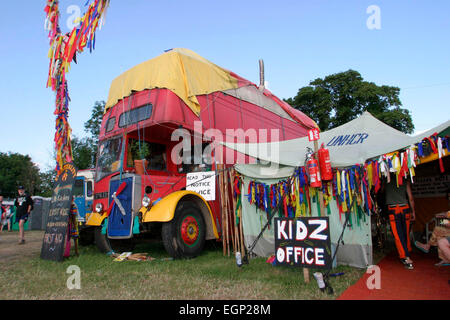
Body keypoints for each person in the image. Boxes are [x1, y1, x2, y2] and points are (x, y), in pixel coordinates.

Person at [383, 175, 416, 270]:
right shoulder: (405, 180)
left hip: (393, 210)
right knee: (405, 233)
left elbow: (381, 191)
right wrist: (413, 211)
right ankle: (407, 252)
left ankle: (406, 257)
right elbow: (410, 198)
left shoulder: (386, 180)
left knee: (398, 235)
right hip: (405, 208)